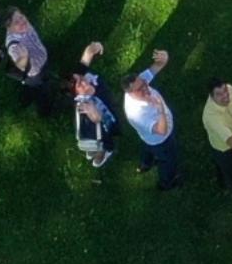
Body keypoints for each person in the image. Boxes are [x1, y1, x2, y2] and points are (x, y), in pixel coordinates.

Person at [121, 51, 181, 189]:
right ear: (130, 93)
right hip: (161, 140)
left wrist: (164, 58)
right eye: (140, 89)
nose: (146, 88)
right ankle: (167, 182)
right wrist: (160, 109)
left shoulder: (139, 82)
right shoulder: (137, 114)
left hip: (148, 137)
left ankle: (146, 163)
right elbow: (162, 130)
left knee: (147, 146)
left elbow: (156, 66)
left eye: (144, 84)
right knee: (168, 160)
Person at [71, 52, 119, 170]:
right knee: (104, 141)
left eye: (82, 79)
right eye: (79, 84)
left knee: (96, 139)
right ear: (76, 93)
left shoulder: (89, 87)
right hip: (100, 128)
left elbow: (85, 61)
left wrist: (92, 50)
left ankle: (94, 149)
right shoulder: (84, 104)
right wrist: (93, 111)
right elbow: (97, 119)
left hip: (98, 125)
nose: (83, 82)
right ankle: (104, 152)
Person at [203, 82, 232, 191]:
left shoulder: (231, 89)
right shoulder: (211, 118)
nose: (225, 96)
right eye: (219, 94)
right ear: (211, 96)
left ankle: (222, 175)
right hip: (224, 148)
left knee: (231, 163)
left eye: (225, 90)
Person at [4, 8, 52, 109]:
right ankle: (44, 108)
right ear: (9, 28)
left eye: (21, 17)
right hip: (34, 73)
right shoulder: (14, 45)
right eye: (16, 22)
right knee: (40, 89)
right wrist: (24, 57)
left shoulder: (24, 25)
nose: (22, 21)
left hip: (42, 58)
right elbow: (20, 66)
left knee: (46, 77)